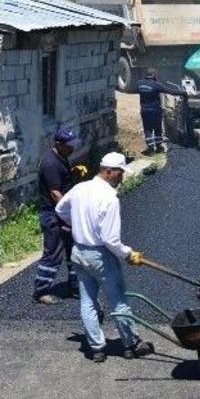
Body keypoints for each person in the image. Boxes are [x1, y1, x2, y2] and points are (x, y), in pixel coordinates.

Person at [55, 152, 153, 362]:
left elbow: (60, 208)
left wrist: (77, 224)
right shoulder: (109, 198)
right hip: (100, 256)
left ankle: (97, 348)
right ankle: (131, 344)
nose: (122, 177)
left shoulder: (80, 189)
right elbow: (110, 239)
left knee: (87, 301)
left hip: (78, 252)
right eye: (120, 173)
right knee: (118, 300)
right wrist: (128, 254)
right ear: (108, 171)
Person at [33, 127, 80, 304]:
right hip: (54, 215)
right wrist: (69, 213)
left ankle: (76, 286)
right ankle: (41, 291)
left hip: (63, 214)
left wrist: (73, 174)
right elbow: (55, 193)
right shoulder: (50, 163)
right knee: (53, 253)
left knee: (74, 250)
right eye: (69, 145)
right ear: (59, 144)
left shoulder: (61, 157)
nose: (72, 148)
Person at [137, 68, 186, 155]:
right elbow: (170, 91)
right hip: (155, 110)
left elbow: (135, 90)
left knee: (147, 129)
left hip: (145, 110)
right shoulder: (156, 85)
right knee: (157, 128)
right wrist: (183, 93)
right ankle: (159, 147)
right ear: (153, 75)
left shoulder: (140, 84)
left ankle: (150, 149)